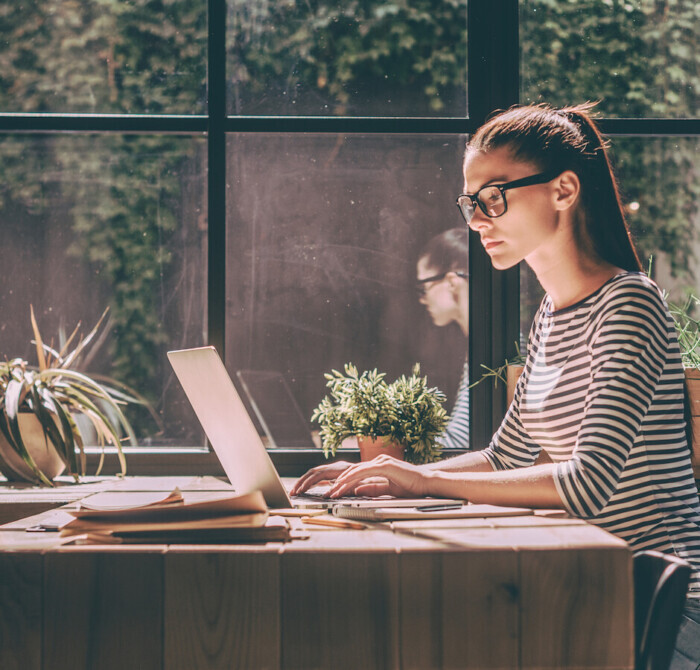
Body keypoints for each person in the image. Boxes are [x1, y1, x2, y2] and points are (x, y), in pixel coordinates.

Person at [292, 102, 700, 667]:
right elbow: (505, 457)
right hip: (597, 582)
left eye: (494, 197)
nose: (477, 219)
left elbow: (586, 485)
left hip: (667, 607)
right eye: (471, 202)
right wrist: (387, 477)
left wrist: (419, 481)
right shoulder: (551, 317)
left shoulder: (628, 303)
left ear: (563, 190)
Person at [416, 228, 470, 450]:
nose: (422, 299)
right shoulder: (479, 347)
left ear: (451, 282)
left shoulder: (489, 351)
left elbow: (460, 444)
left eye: (424, 287)